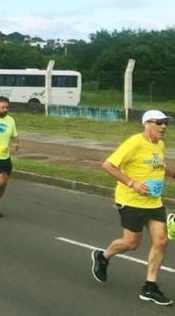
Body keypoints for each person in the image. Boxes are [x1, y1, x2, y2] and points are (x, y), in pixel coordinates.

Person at [92, 110, 173, 306]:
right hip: (131, 201)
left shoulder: (160, 144)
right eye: (159, 123)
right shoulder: (134, 143)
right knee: (132, 243)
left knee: (161, 241)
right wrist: (132, 183)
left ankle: (150, 287)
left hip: (154, 201)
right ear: (147, 124)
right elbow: (108, 165)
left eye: (166, 123)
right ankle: (102, 257)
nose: (164, 127)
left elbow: (158, 165)